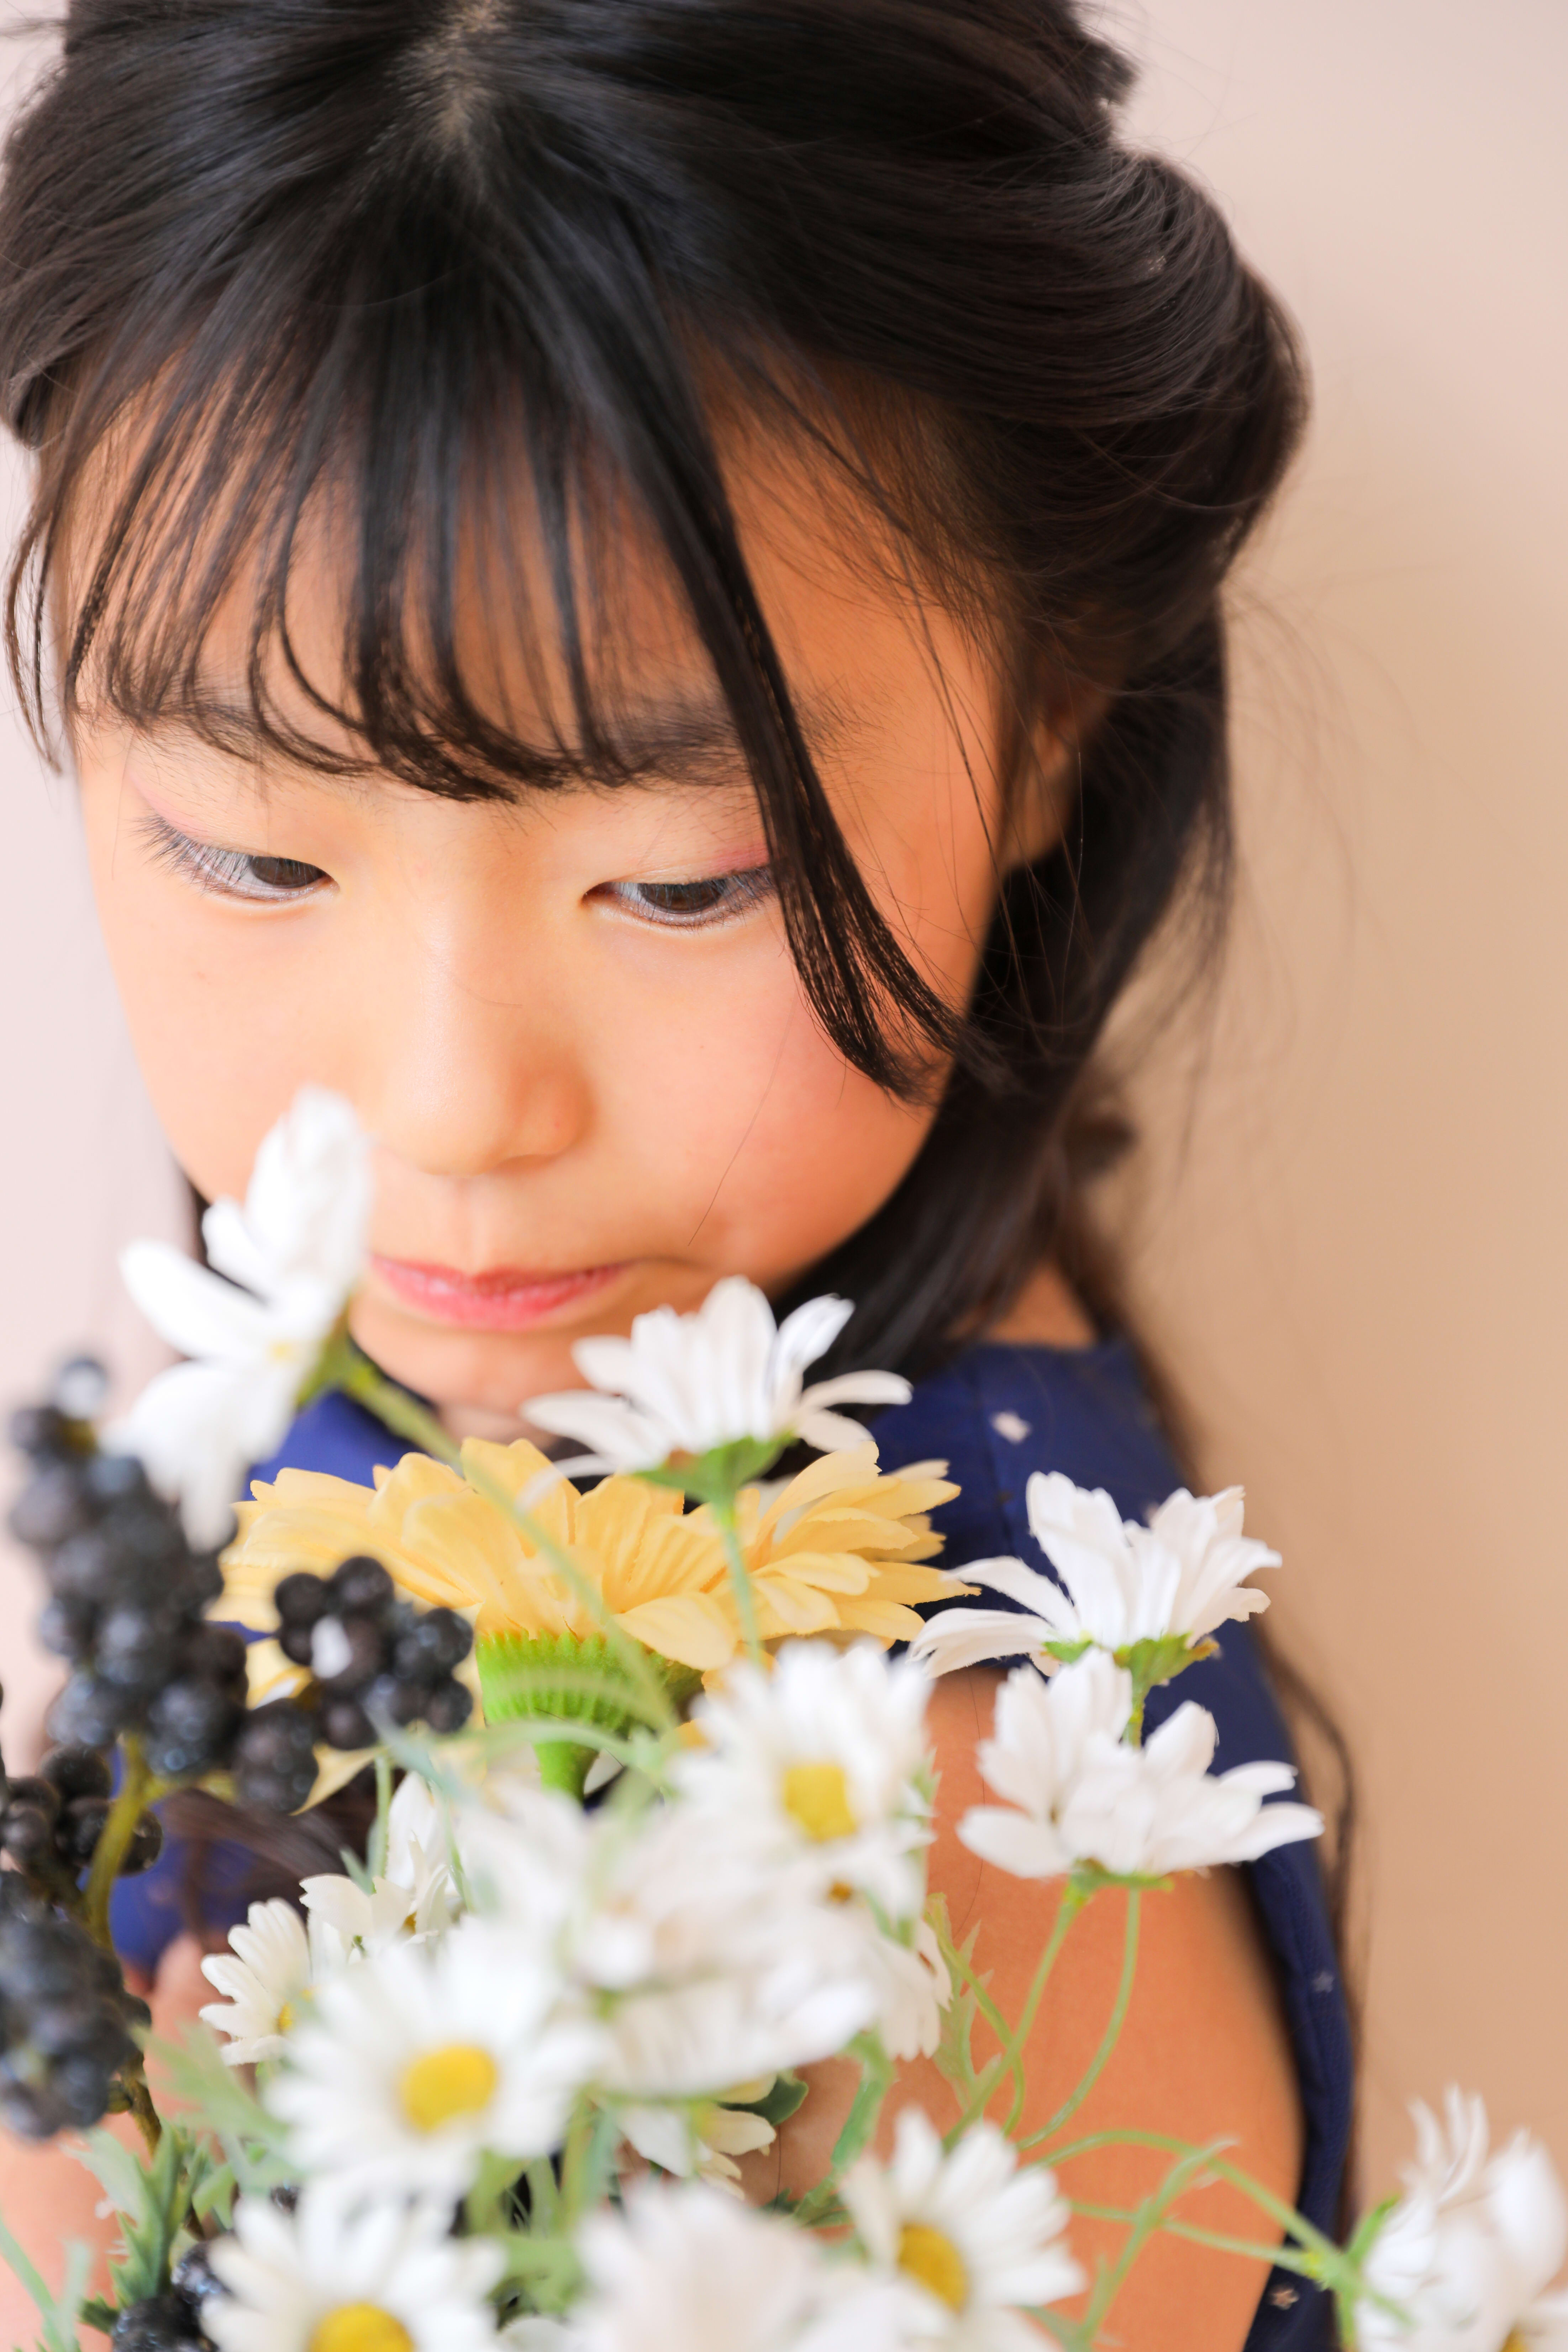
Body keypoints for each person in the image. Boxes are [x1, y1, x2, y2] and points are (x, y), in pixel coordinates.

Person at [0, 0, 1352, 2344]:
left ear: (1053, 727)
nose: (442, 1110)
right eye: (247, 852)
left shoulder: (952, 1836)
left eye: (686, 881)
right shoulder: (335, 1378)